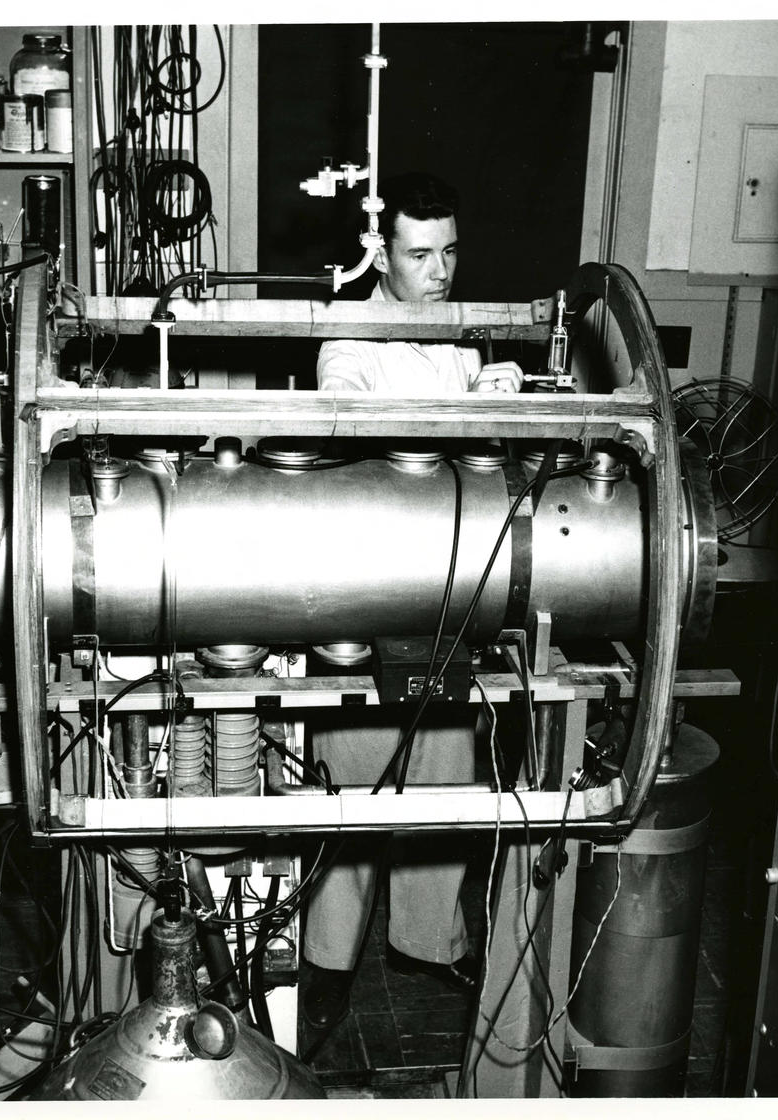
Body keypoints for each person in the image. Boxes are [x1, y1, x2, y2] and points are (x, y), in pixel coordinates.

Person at [301, 172, 522, 1031]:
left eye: (451, 251)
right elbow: (350, 424)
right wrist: (460, 408)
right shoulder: (349, 336)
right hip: (366, 583)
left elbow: (477, 460)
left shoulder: (458, 341)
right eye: (420, 254)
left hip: (446, 579)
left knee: (444, 771)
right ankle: (327, 961)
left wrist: (498, 403)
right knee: (354, 780)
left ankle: (430, 942)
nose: (441, 271)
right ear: (380, 254)